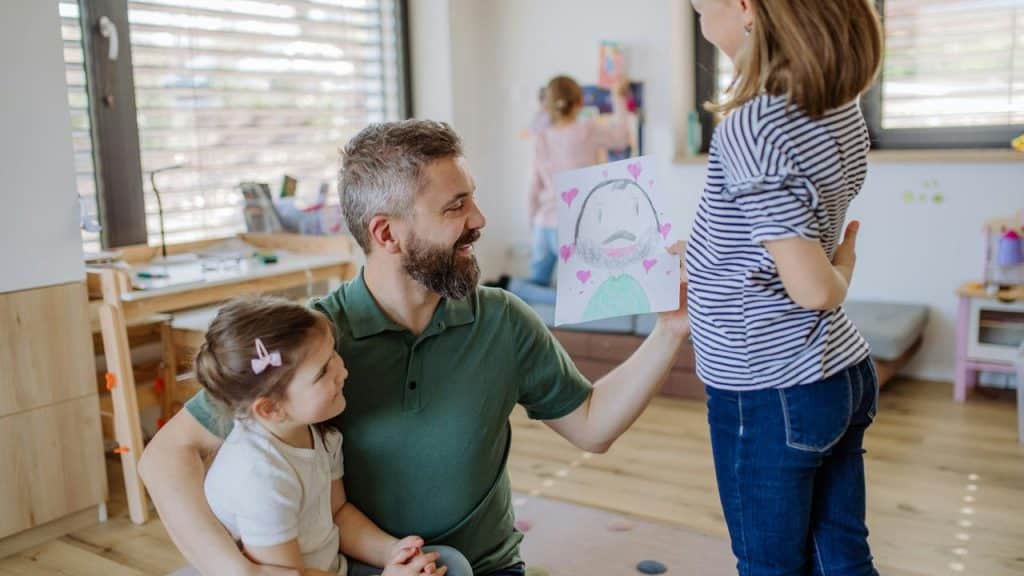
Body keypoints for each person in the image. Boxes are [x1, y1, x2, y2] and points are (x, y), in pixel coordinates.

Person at [139, 119, 690, 576]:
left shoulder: (502, 319)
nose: (479, 220)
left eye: (472, 199)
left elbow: (591, 427)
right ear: (386, 234)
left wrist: (669, 331)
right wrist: (238, 571)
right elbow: (166, 457)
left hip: (484, 566)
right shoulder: (309, 344)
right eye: (455, 207)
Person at [685, 0, 884, 573]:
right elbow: (787, 227)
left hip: (770, 387)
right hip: (835, 372)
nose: (696, 11)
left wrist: (841, 270)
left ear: (745, 7)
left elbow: (816, 290)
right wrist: (703, 257)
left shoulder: (754, 123)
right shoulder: (834, 105)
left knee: (770, 565)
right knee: (841, 555)